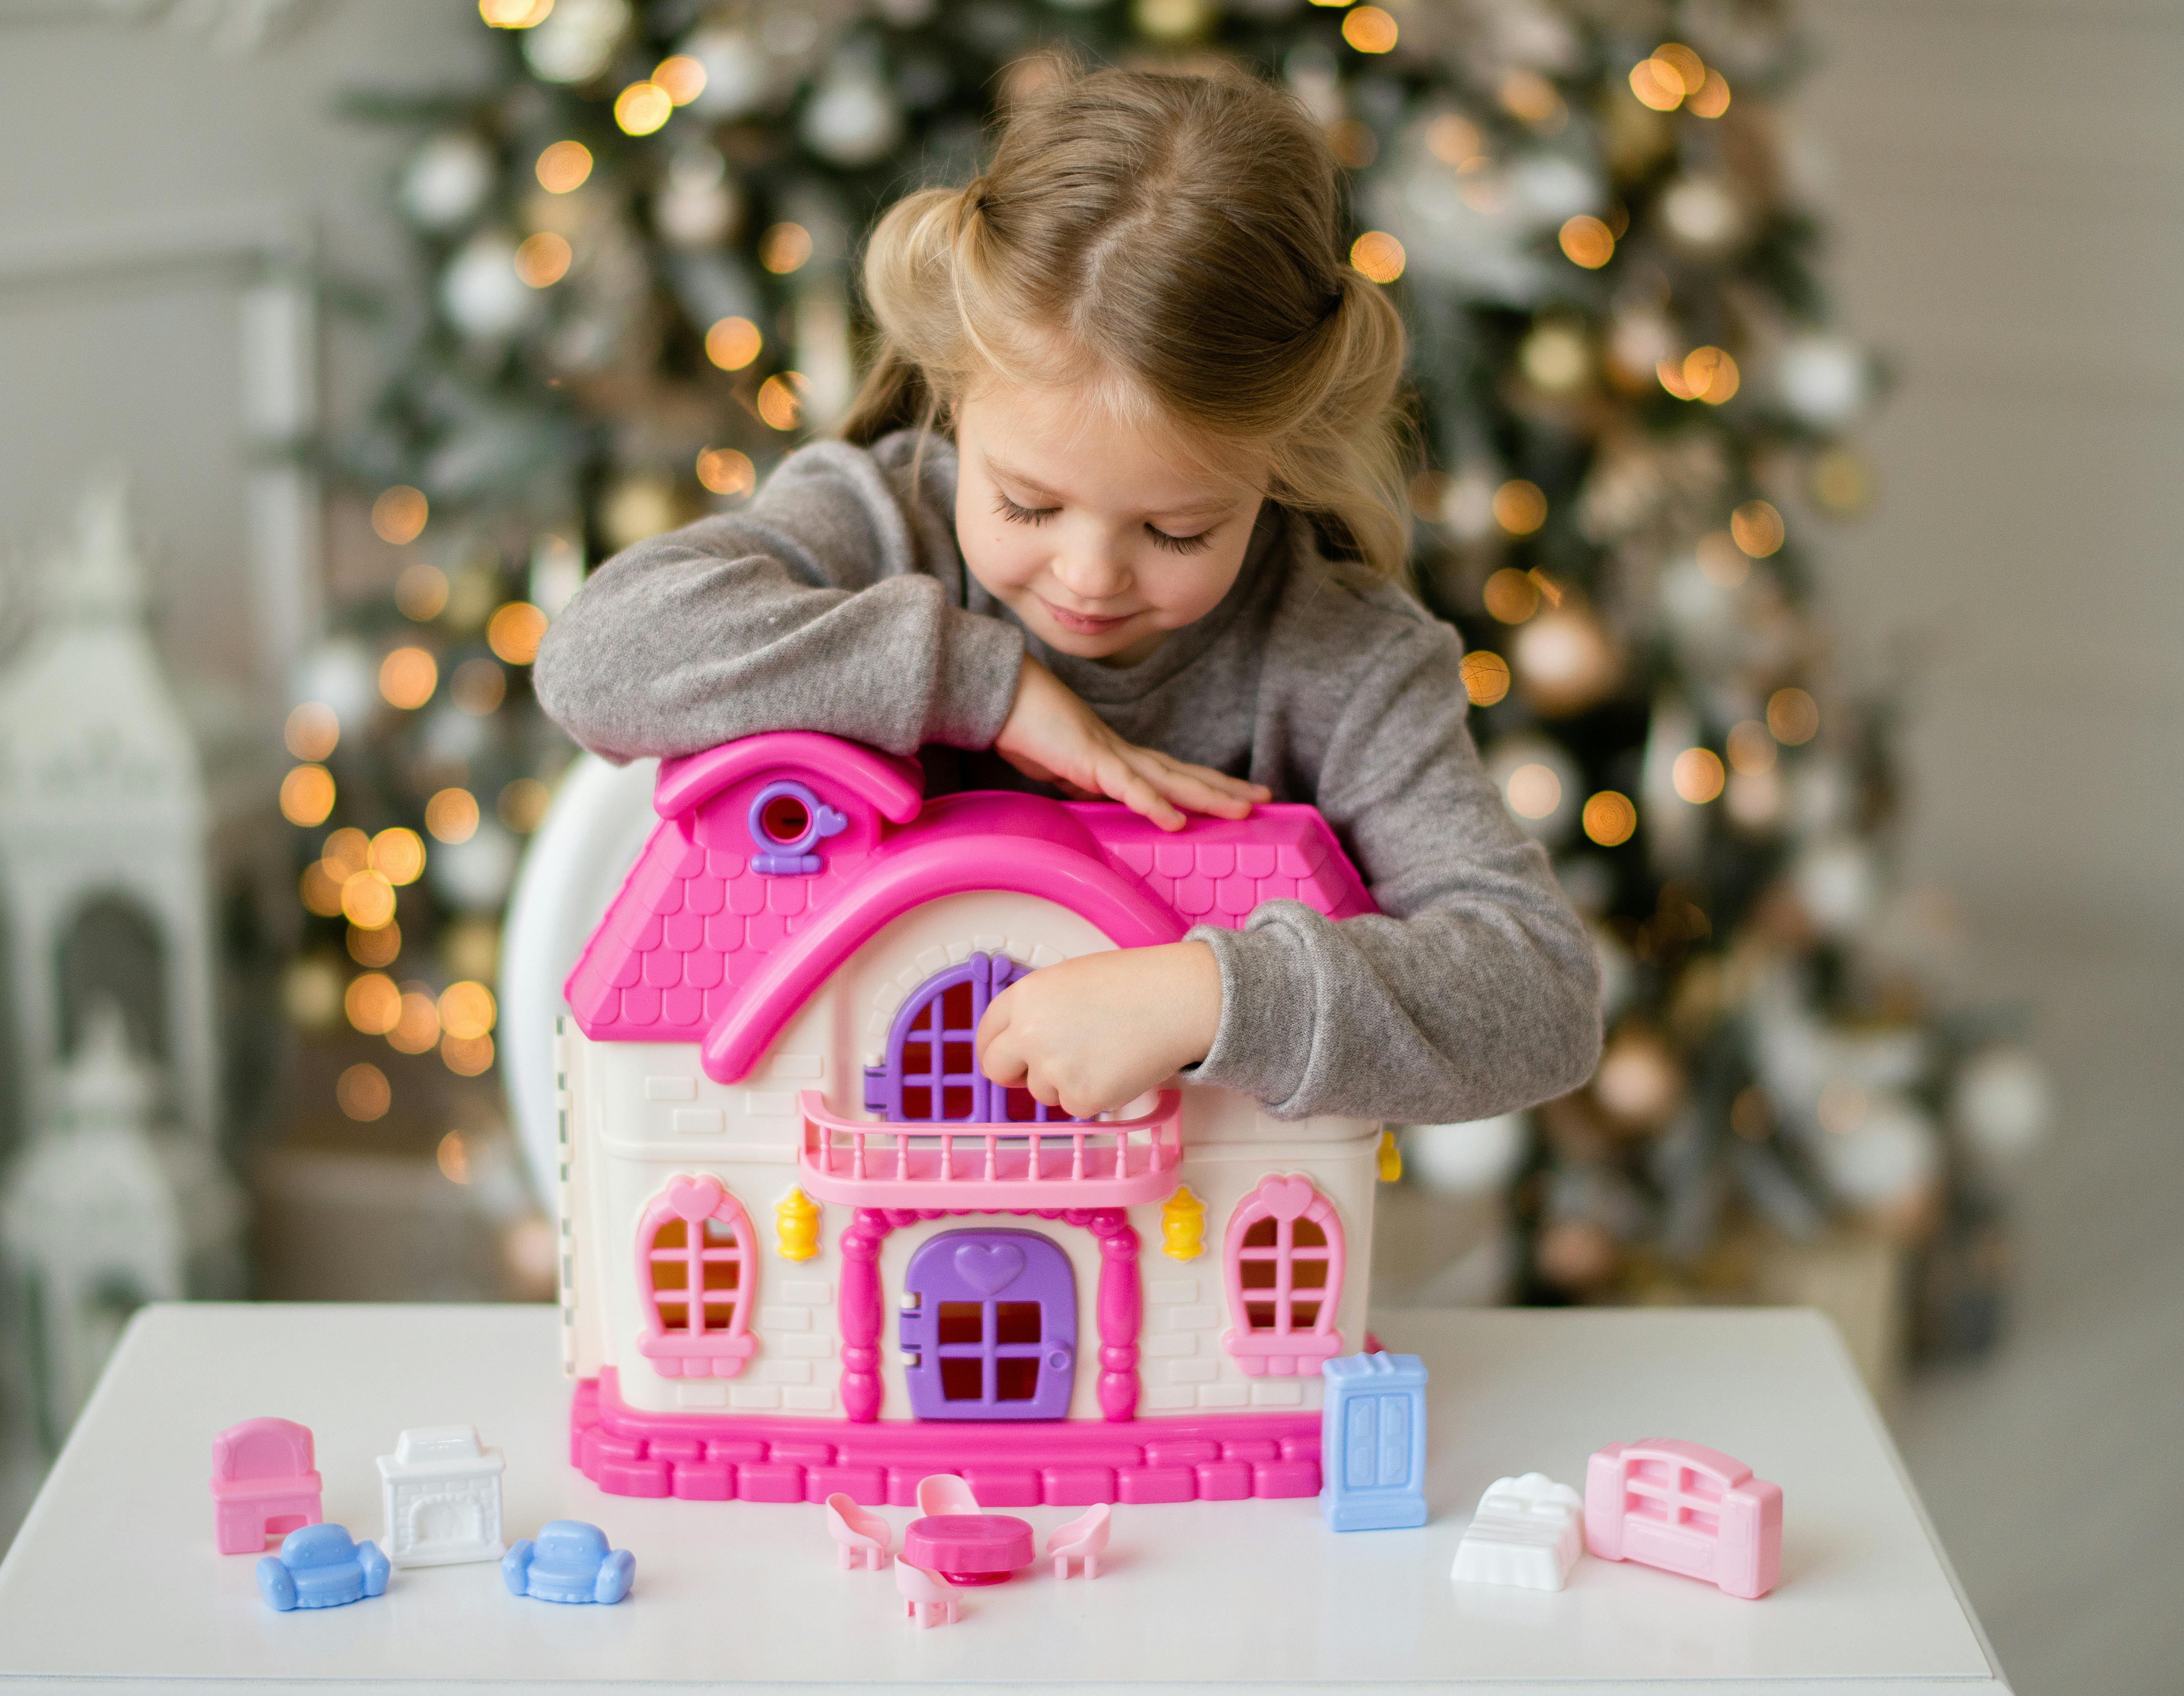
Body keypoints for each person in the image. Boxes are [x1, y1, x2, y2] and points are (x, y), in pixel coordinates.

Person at [537, 62, 1600, 1128]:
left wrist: (1208, 994)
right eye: (1029, 506)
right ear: (957, 396)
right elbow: (595, 660)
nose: (1091, 577)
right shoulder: (880, 522)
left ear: (1277, 461)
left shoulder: (1344, 660)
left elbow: (1543, 994)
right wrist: (978, 686)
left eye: (1178, 529)